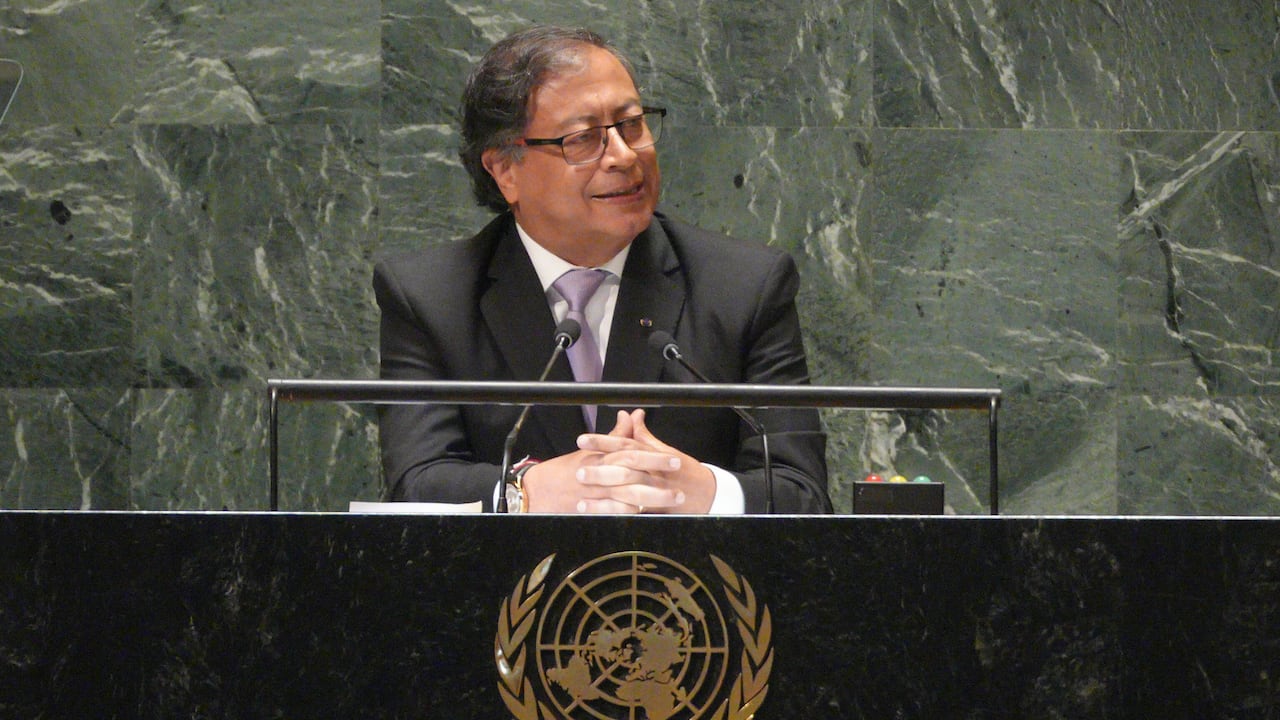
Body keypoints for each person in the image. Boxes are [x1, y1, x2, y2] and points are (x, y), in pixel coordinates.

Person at [374, 25, 830, 514]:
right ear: (505, 170)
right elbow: (416, 485)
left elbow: (802, 492)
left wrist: (705, 490)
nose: (623, 155)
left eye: (632, 125)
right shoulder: (430, 298)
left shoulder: (745, 286)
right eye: (584, 138)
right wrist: (524, 489)